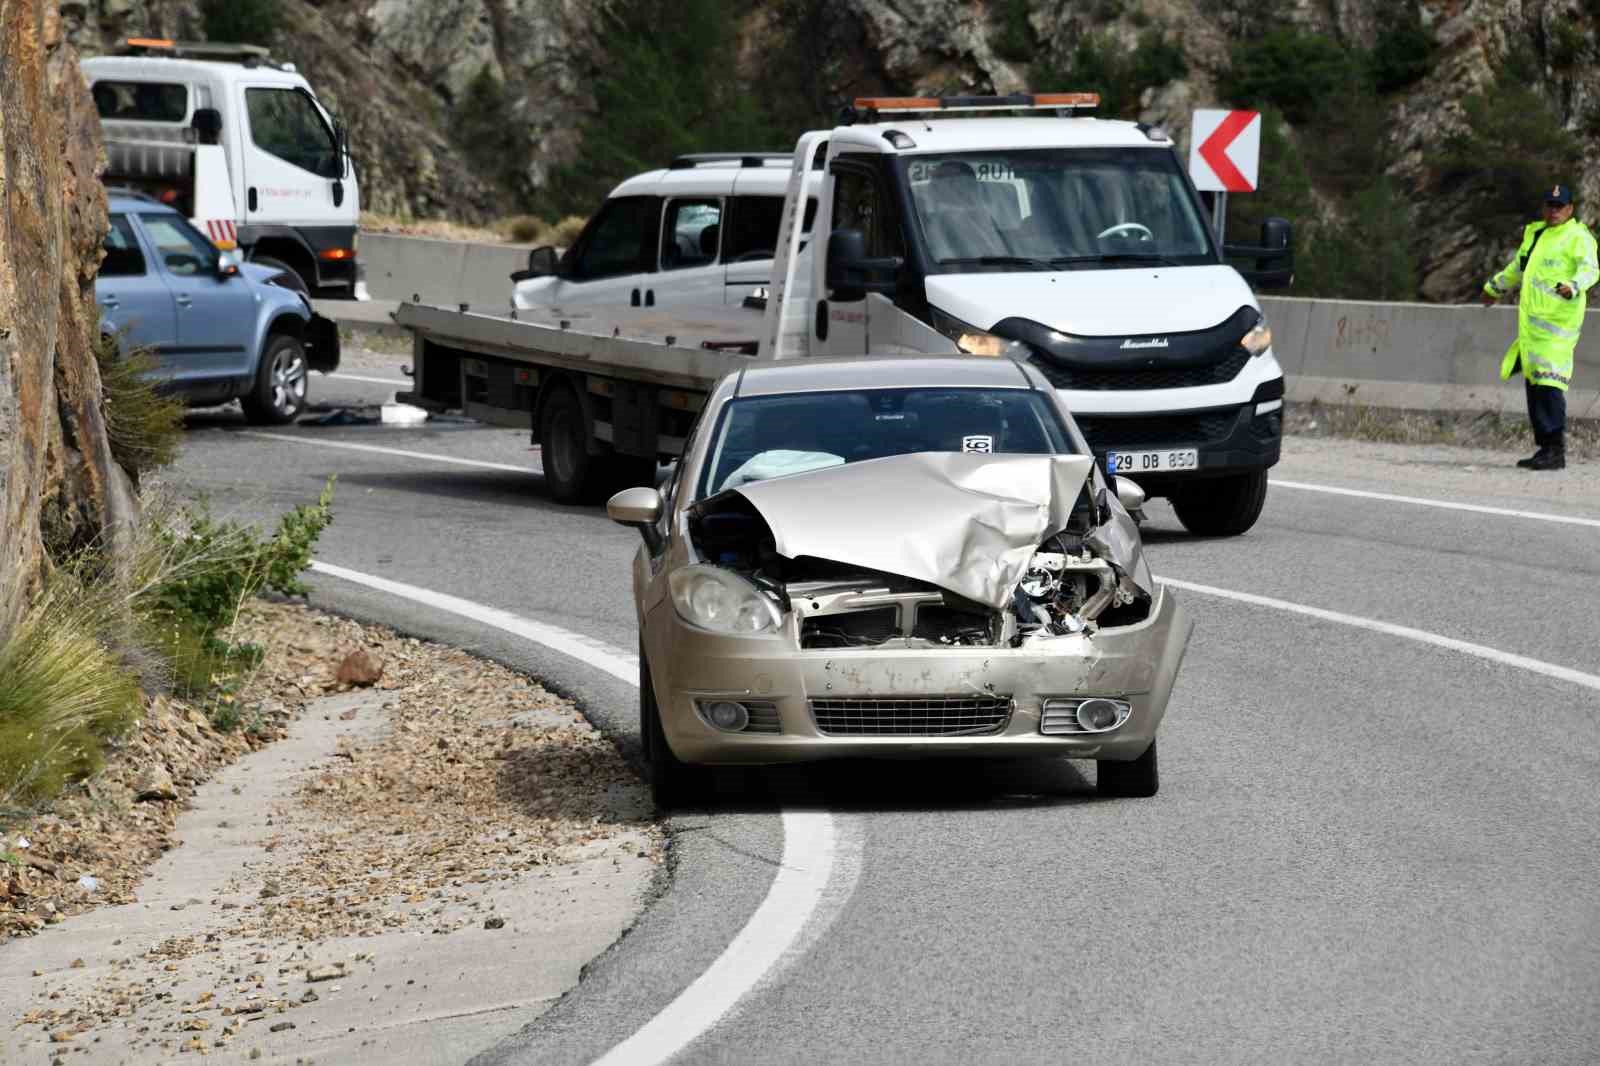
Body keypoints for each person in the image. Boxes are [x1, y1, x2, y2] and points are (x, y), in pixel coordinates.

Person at [1481, 183, 1598, 470]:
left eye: (1560, 206)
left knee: (1550, 386)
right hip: (1532, 329)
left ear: (1570, 209)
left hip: (1558, 327)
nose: (1554, 211)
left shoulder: (1577, 237)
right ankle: (1545, 448)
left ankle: (1556, 450)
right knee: (1535, 386)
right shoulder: (1535, 234)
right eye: (1550, 205)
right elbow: (1517, 269)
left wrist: (1574, 285)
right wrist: (1493, 288)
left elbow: (1590, 269)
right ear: (1544, 207)